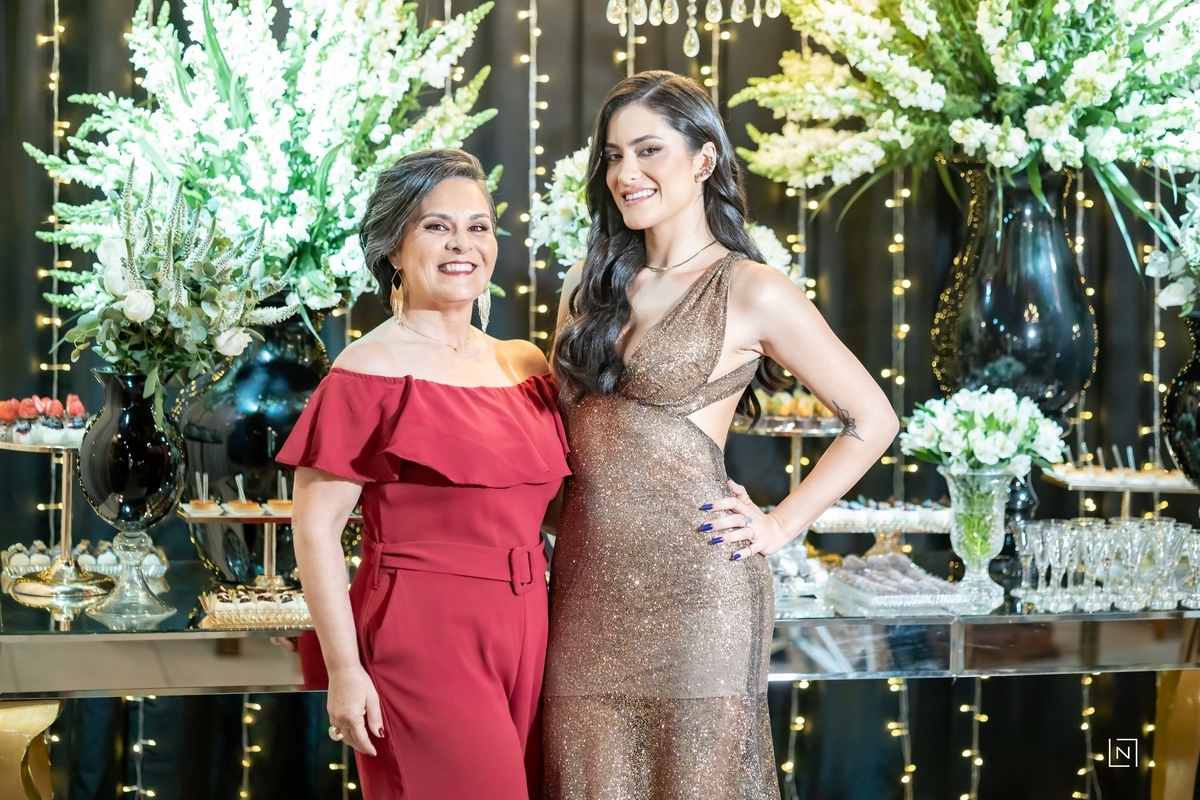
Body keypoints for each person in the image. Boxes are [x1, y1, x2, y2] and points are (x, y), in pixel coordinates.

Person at [546, 71, 899, 799]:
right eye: (613, 155)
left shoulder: (752, 288)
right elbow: (555, 435)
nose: (626, 173)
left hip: (700, 595)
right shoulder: (586, 286)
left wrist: (779, 526)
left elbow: (873, 420)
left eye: (649, 150)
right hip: (584, 591)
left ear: (704, 158)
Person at [276, 148, 569, 800]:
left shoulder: (524, 364)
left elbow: (551, 508)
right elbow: (316, 528)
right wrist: (344, 669)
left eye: (477, 226)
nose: (462, 243)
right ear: (394, 248)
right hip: (424, 628)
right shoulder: (366, 370)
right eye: (437, 226)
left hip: (533, 624)